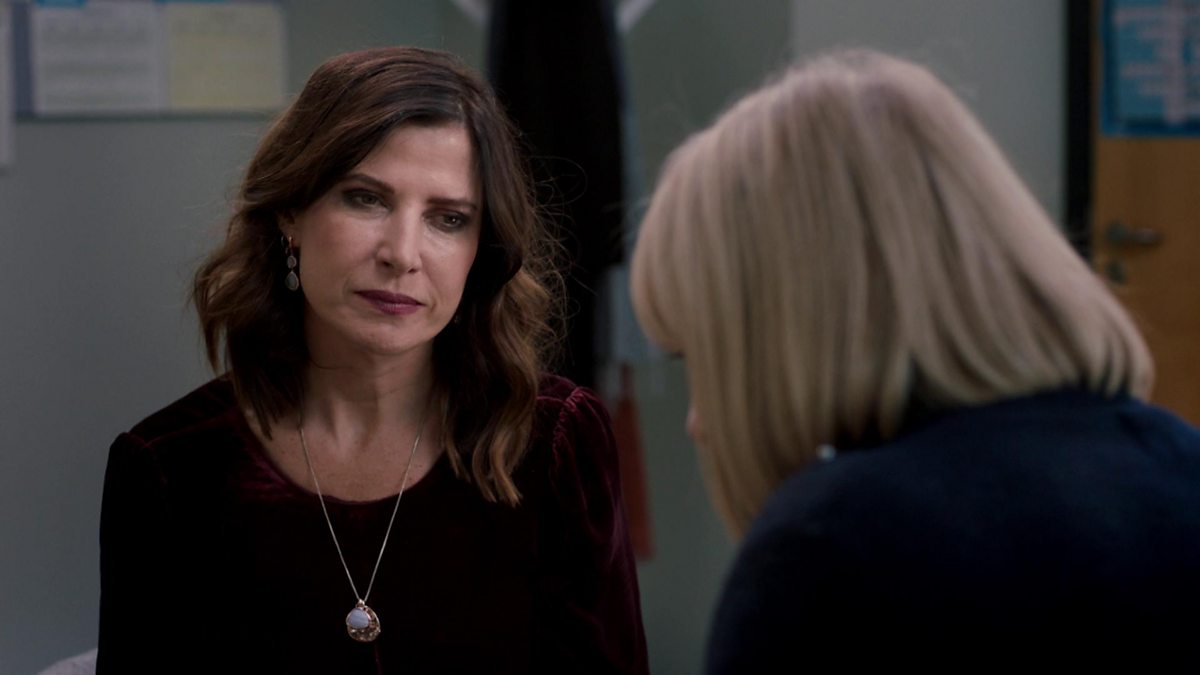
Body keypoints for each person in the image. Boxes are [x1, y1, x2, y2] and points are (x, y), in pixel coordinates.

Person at [631, 49, 1200, 669]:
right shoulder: (1179, 465)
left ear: (789, 334)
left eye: (704, 358)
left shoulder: (827, 555)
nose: (697, 421)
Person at [98, 46, 648, 674]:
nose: (402, 253)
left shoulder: (557, 442)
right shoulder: (169, 466)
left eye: (448, 218)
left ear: (481, 249)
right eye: (366, 199)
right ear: (290, 212)